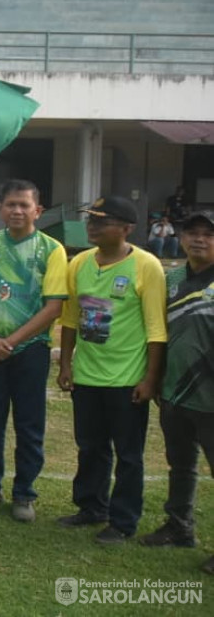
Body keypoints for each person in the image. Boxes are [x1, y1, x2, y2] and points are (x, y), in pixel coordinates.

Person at [56, 195, 166, 544]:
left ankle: (123, 521)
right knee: (90, 446)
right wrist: (65, 365)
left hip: (126, 380)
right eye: (91, 220)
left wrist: (150, 379)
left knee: (128, 455)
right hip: (87, 376)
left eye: (102, 221)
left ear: (126, 229)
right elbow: (71, 319)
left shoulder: (146, 266)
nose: (93, 226)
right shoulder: (80, 263)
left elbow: (156, 329)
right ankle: (91, 507)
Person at [0, 180, 68, 523]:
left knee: (29, 424)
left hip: (31, 351)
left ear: (38, 210)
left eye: (24, 205)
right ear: (0, 209)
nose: (17, 211)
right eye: (10, 204)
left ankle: (25, 493)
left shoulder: (51, 249)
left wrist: (12, 341)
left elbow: (53, 307)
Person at [139, 209, 214, 575]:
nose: (199, 239)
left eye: (208, 234)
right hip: (175, 394)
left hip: (211, 400)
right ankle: (179, 527)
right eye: (192, 232)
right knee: (181, 465)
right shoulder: (171, 281)